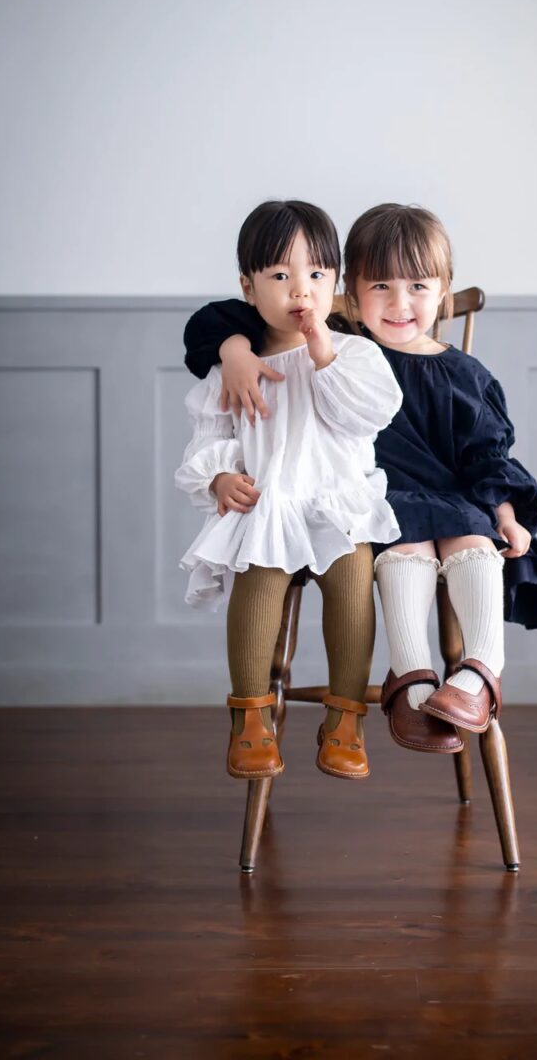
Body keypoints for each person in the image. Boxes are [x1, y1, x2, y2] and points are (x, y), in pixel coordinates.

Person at [182, 203, 537, 758]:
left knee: (473, 539)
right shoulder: (332, 338)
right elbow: (213, 321)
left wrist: (505, 513)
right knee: (397, 545)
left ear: (444, 291)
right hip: (378, 503)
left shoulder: (405, 363)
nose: (398, 303)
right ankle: (409, 678)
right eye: (380, 286)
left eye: (418, 286)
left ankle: (479, 673)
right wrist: (234, 347)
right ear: (353, 294)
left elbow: (487, 455)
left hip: (435, 498)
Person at [175, 200, 402, 782]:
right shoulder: (235, 365)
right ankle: (250, 716)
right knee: (257, 583)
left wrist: (323, 351)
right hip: (270, 503)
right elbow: (210, 436)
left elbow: (368, 415)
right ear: (248, 288)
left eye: (317, 274)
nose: (300, 289)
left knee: (352, 585)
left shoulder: (354, 353)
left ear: (336, 283)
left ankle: (345, 718)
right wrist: (219, 477)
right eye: (280, 275)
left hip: (336, 502)